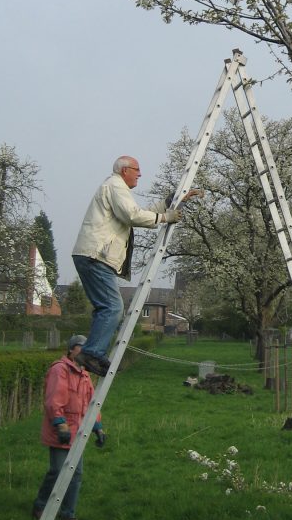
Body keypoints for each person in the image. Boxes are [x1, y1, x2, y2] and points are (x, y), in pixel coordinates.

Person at [72, 155, 200, 375]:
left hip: (90, 255)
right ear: (125, 171)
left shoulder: (115, 188)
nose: (140, 174)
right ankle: (92, 353)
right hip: (96, 257)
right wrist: (166, 217)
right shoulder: (115, 186)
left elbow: (140, 212)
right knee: (113, 307)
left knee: (105, 308)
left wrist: (169, 203)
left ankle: (94, 352)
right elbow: (133, 215)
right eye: (137, 169)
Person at [32, 334, 104, 520]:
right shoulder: (60, 370)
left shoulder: (85, 374)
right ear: (71, 349)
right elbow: (54, 400)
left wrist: (97, 426)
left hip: (78, 432)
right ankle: (40, 505)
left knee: (76, 474)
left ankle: (68, 513)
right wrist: (60, 424)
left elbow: (91, 402)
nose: (84, 351)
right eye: (81, 347)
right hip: (61, 430)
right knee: (57, 471)